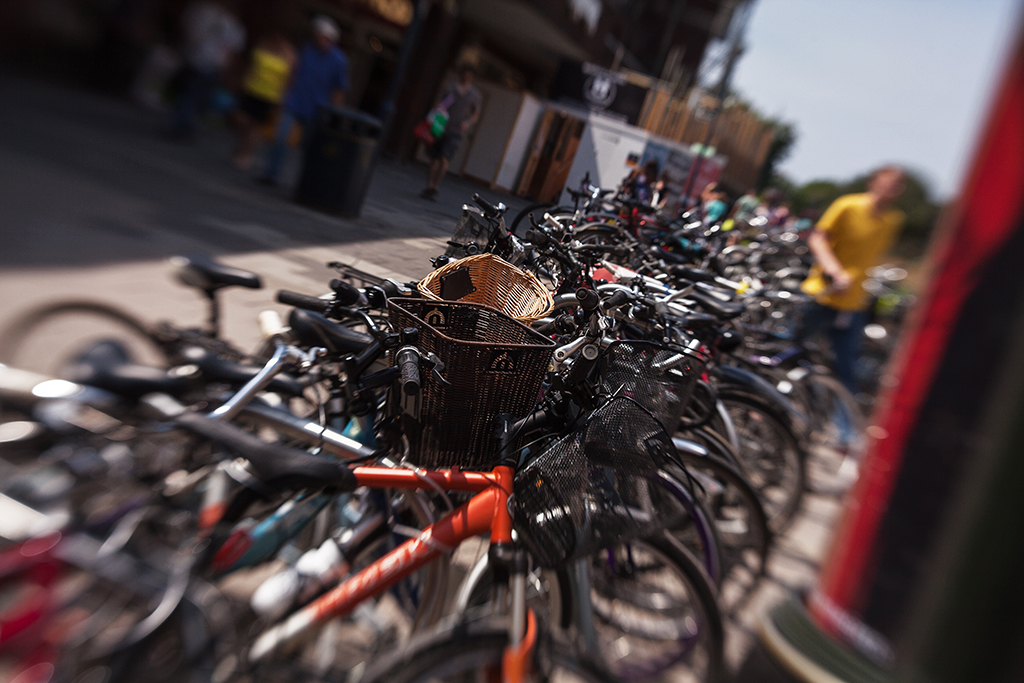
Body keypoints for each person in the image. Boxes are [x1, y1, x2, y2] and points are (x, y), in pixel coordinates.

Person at [800, 165, 907, 391]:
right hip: (822, 292)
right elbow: (818, 239)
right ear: (873, 183)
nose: (890, 191)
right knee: (795, 351)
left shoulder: (893, 220)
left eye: (896, 186)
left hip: (854, 301)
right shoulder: (847, 205)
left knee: (846, 369)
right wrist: (835, 271)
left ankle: (842, 414)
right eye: (886, 184)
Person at [261, 15, 349, 186]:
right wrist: (284, 94)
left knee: (310, 147)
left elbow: (339, 88)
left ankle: (306, 182)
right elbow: (294, 73)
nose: (318, 38)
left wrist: (334, 111)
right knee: (280, 138)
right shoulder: (307, 50)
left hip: (318, 108)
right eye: (316, 35)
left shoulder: (338, 60)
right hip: (295, 101)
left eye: (322, 36)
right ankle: (271, 174)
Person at [170, 0, 245, 139]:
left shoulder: (206, 12)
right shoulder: (231, 25)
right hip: (211, 63)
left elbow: (186, 27)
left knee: (190, 94)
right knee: (194, 95)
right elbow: (232, 51)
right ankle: (182, 124)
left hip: (197, 58)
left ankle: (182, 123)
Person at [230, 32, 296, 170]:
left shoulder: (289, 54)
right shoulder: (264, 45)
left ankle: (245, 153)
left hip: (270, 95)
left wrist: (283, 96)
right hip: (252, 89)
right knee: (242, 119)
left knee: (256, 126)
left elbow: (289, 78)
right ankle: (242, 143)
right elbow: (251, 65)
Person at [419, 64, 482, 200]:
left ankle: (435, 186)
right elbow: (438, 103)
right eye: (465, 74)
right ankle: (429, 186)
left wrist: (467, 123)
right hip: (441, 127)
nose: (466, 77)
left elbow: (475, 114)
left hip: (456, 130)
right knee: (434, 158)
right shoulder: (450, 88)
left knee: (444, 158)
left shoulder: (474, 95)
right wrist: (438, 111)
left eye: (469, 75)